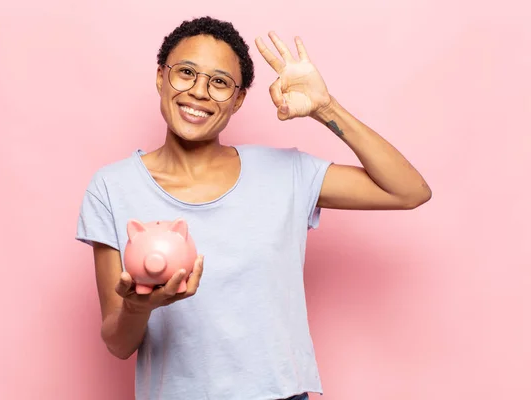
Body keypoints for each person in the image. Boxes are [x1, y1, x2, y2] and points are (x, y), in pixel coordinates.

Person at [75, 16, 431, 400]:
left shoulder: (285, 173)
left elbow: (408, 191)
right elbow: (117, 343)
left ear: (239, 98)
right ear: (161, 77)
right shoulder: (113, 187)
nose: (198, 92)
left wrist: (325, 108)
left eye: (219, 82)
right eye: (186, 73)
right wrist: (140, 306)